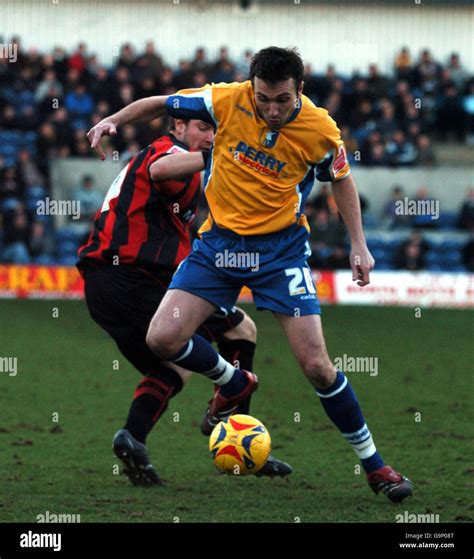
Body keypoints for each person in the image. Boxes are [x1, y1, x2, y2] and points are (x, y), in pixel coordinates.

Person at [87, 46, 412, 502]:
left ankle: (376, 467)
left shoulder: (319, 129)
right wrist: (114, 120)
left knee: (317, 366)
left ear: (299, 90)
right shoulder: (225, 99)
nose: (272, 109)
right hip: (217, 246)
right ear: (251, 88)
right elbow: (162, 102)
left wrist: (359, 244)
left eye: (282, 99)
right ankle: (233, 382)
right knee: (161, 339)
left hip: (280, 254)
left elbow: (340, 178)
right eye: (264, 98)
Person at [79, 118, 291, 485]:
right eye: (201, 128)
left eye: (215, 132)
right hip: (134, 278)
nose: (210, 137)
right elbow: (162, 169)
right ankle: (234, 392)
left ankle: (134, 438)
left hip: (107, 287)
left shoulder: (184, 162)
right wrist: (221, 154)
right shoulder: (171, 151)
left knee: (177, 366)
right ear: (178, 126)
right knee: (237, 330)